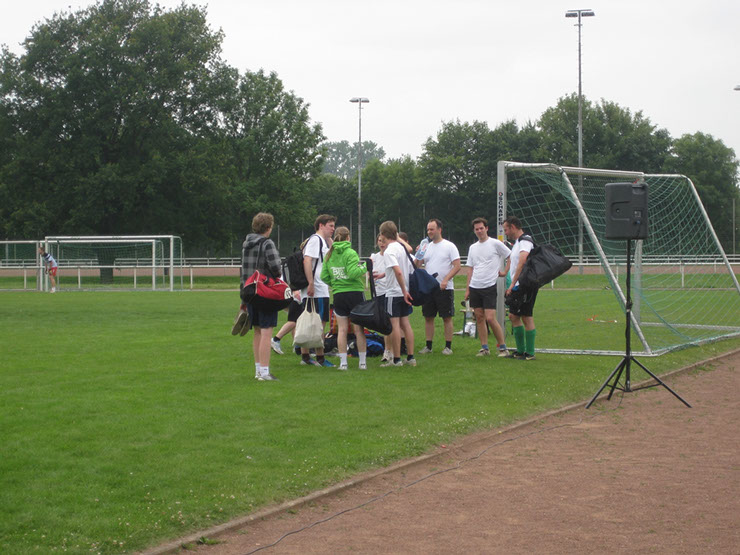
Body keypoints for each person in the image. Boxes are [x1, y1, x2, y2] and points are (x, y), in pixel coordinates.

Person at [320, 227, 368, 370]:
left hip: (339, 294)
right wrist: (365, 267)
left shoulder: (330, 254)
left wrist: (335, 283)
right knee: (359, 329)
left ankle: (343, 363)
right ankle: (362, 363)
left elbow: (324, 276)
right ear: (348, 238)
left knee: (341, 330)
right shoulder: (350, 252)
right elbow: (353, 273)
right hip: (355, 293)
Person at [241, 212, 282, 381]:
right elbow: (276, 268)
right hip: (265, 292)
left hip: (250, 292)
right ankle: (265, 372)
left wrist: (243, 298)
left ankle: (258, 370)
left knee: (257, 331)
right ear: (268, 227)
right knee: (267, 331)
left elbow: (244, 272)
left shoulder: (246, 244)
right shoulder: (267, 243)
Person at [464, 217, 511, 356]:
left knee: (490, 318)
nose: (479, 231)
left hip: (489, 286)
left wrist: (505, 272)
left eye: (481, 228)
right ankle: (484, 348)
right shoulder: (473, 248)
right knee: (479, 317)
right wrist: (467, 289)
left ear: (486, 228)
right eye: (476, 229)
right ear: (474, 231)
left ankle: (503, 347)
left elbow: (510, 256)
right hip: (475, 286)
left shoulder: (495, 243)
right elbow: (470, 269)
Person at [415, 219, 461, 355]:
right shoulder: (427, 247)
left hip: (444, 288)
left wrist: (446, 280)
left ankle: (448, 347)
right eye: (428, 229)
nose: (429, 232)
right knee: (428, 317)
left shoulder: (449, 246)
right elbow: (417, 266)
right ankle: (428, 346)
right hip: (429, 288)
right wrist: (419, 253)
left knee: (446, 317)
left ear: (439, 230)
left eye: (432, 229)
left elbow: (457, 266)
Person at [299, 214, 336, 367]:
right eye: (330, 226)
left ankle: (306, 356)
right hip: (317, 289)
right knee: (318, 323)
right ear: (321, 225)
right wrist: (311, 283)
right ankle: (319, 357)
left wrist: (330, 240)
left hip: (320, 287)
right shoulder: (315, 240)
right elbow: (307, 260)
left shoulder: (322, 241)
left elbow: (334, 253)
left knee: (314, 322)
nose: (333, 229)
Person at [379, 221, 416, 367]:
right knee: (405, 324)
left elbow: (398, 271)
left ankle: (396, 359)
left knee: (394, 325)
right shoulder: (402, 248)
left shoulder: (389, 251)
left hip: (394, 292)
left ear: (383, 234)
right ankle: (411, 357)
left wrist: (403, 290)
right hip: (403, 291)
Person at [503, 216, 537, 361]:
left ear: (513, 227)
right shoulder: (517, 243)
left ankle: (530, 353)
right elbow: (512, 261)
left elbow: (522, 261)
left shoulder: (525, 241)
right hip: (518, 285)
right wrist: (505, 273)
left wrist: (512, 284)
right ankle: (520, 351)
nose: (505, 233)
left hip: (525, 285)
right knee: (513, 316)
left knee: (526, 316)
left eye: (506, 230)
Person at [370, 234, 392, 362]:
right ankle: (388, 349)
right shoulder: (374, 257)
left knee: (389, 322)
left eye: (384, 241)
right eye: (379, 241)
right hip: (377, 292)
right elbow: (368, 272)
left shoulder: (390, 256)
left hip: (388, 292)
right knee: (382, 323)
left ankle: (389, 350)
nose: (382, 243)